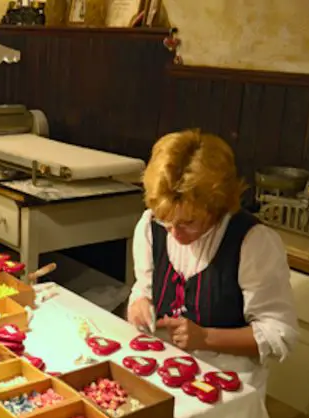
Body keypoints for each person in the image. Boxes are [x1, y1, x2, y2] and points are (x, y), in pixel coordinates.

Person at [126, 129, 298, 392]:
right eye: (167, 220)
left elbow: (279, 334)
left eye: (188, 222)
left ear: (217, 205)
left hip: (230, 387)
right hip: (166, 374)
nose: (174, 232)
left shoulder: (252, 243)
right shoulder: (151, 226)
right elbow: (144, 285)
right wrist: (140, 302)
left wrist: (205, 337)